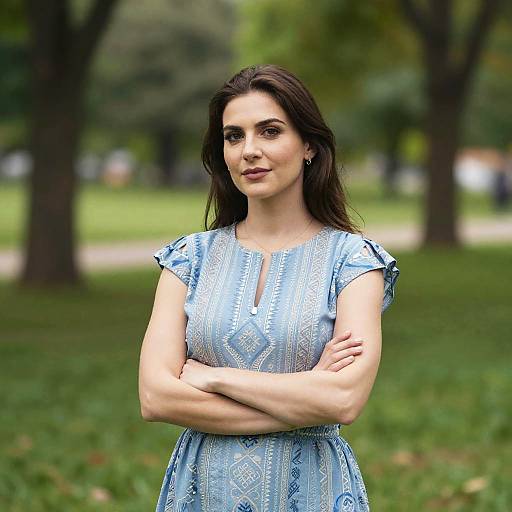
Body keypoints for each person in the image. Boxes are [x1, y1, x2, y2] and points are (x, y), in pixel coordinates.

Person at [138, 64, 400, 512]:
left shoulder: (354, 262)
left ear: (309, 147)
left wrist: (212, 377)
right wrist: (306, 392)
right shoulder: (188, 259)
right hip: (203, 491)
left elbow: (343, 399)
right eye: (234, 136)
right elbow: (156, 395)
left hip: (311, 492)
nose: (249, 151)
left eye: (270, 131)